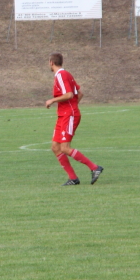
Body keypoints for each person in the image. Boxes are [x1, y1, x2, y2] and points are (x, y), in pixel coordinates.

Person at [46, 53, 104, 186]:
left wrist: (53, 100)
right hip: (64, 115)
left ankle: (95, 167)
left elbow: (69, 94)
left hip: (68, 116)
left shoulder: (61, 75)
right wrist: (72, 107)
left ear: (51, 63)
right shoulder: (65, 74)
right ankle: (73, 178)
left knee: (65, 148)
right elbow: (80, 93)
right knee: (55, 147)